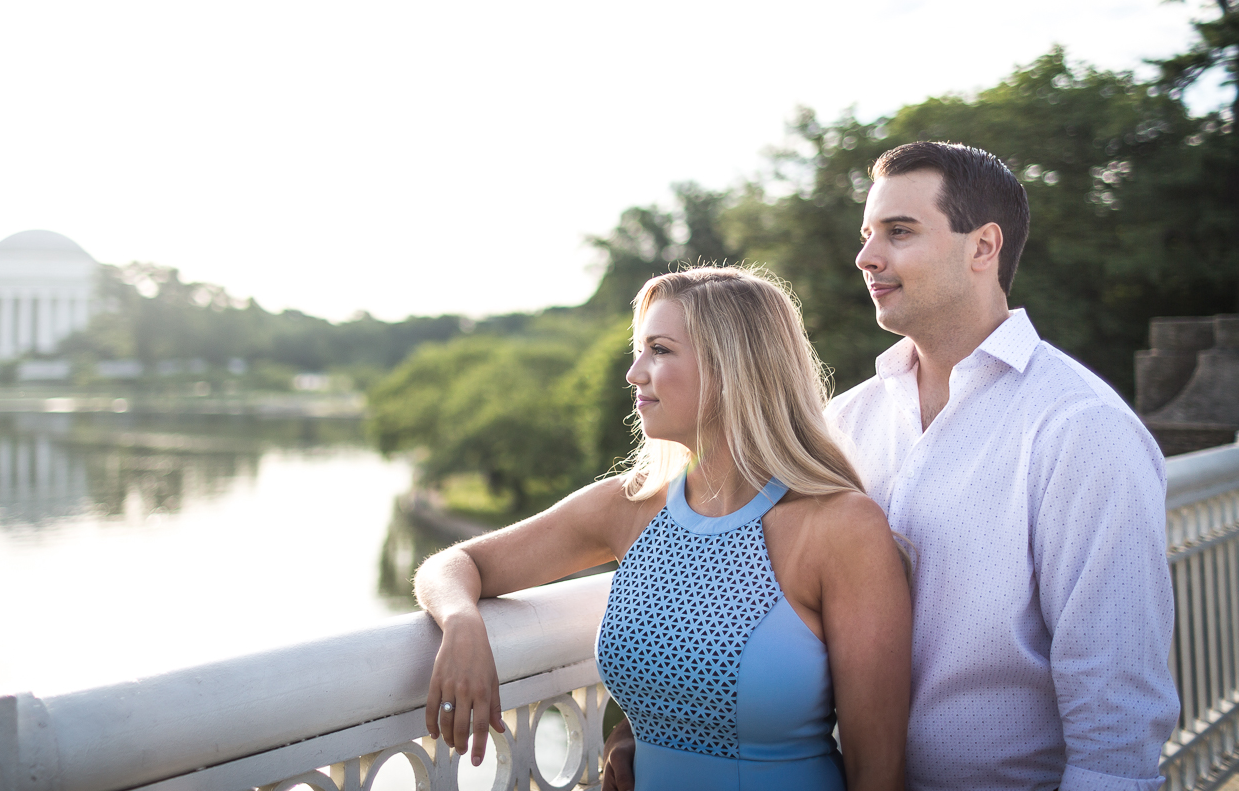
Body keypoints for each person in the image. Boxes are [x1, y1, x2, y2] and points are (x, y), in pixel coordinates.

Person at [603, 142, 1180, 791]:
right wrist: (647, 730)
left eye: (899, 232)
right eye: (867, 234)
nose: (867, 257)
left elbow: (1116, 725)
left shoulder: (1083, 431)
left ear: (983, 248)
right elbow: (734, 583)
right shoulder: (841, 424)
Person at [415, 266, 912, 791]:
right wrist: (463, 623)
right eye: (640, 349)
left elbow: (877, 771)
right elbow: (454, 565)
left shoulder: (839, 526)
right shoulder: (629, 507)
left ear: (733, 367)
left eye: (660, 350)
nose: (634, 372)